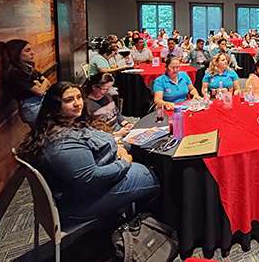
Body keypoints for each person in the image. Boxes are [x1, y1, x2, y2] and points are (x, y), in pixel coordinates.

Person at [17, 82, 160, 224]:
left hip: (95, 184)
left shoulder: (69, 122)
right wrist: (124, 163)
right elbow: (91, 177)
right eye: (69, 100)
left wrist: (117, 148)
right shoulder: (61, 143)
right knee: (157, 177)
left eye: (79, 97)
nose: (77, 103)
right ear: (55, 106)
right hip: (82, 201)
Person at [3, 39, 51, 126]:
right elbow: (40, 91)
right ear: (16, 53)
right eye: (27, 50)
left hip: (40, 103)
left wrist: (42, 84)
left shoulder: (28, 68)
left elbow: (48, 82)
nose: (33, 53)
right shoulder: (16, 73)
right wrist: (42, 83)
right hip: (32, 107)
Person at [83, 73, 133, 139]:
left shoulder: (107, 96)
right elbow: (95, 130)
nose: (109, 91)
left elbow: (117, 113)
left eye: (110, 88)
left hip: (119, 129)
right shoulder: (88, 105)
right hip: (106, 136)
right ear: (94, 87)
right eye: (105, 89)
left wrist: (125, 123)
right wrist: (116, 134)